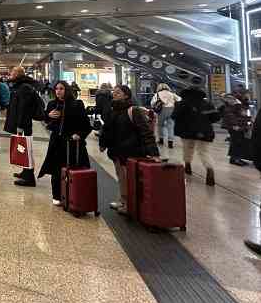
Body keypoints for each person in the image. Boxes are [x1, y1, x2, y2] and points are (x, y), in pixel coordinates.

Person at [99, 85, 159, 214]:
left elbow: (146, 132)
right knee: (121, 178)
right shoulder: (112, 110)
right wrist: (103, 143)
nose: (114, 94)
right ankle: (123, 200)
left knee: (130, 179)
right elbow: (107, 129)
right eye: (113, 92)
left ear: (126, 95)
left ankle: (131, 205)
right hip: (116, 152)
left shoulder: (133, 110)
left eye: (118, 92)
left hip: (131, 152)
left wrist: (154, 153)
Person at [38, 81, 92, 205]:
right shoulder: (52, 104)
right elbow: (45, 119)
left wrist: (79, 134)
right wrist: (48, 115)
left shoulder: (77, 104)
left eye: (61, 88)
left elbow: (86, 125)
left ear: (66, 90)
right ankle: (57, 195)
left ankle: (74, 194)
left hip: (72, 142)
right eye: (56, 89)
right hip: (57, 141)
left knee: (74, 167)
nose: (58, 91)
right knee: (56, 169)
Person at [171, 87, 220, 185]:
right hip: (204, 131)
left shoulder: (182, 103)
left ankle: (188, 165)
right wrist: (204, 122)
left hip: (186, 131)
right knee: (204, 152)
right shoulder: (207, 104)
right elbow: (216, 117)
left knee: (188, 148)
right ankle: (210, 170)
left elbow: (174, 116)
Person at [4, 66, 41, 186]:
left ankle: (29, 178)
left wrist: (20, 125)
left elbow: (23, 108)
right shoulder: (20, 86)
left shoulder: (24, 87)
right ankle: (25, 172)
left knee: (26, 149)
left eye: (13, 72)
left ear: (18, 74)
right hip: (23, 123)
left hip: (24, 124)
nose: (10, 74)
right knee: (24, 148)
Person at [221, 90, 252, 166]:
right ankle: (236, 159)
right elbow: (230, 114)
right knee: (237, 142)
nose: (248, 96)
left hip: (239, 126)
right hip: (235, 126)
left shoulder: (241, 103)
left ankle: (235, 158)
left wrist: (249, 121)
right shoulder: (236, 102)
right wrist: (235, 125)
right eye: (247, 95)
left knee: (237, 142)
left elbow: (243, 115)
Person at [151, 83, 181, 150]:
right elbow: (179, 99)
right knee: (170, 126)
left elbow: (152, 103)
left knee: (160, 125)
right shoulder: (171, 94)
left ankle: (161, 140)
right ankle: (170, 142)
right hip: (171, 109)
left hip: (162, 110)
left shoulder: (157, 94)